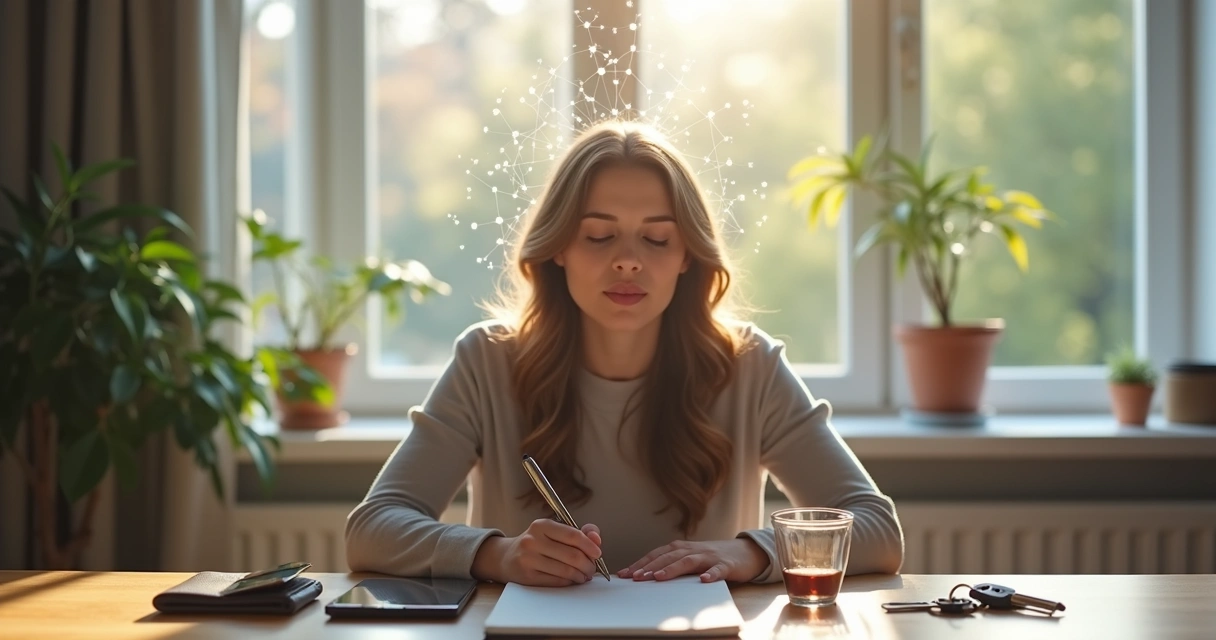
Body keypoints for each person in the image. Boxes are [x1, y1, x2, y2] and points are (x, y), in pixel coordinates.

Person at [345, 120, 904, 587]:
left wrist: (753, 553)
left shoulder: (750, 366)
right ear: (559, 247)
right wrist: (499, 554)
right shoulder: (486, 362)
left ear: (687, 255)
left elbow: (878, 529)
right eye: (598, 236)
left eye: (656, 239)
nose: (629, 261)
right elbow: (372, 528)